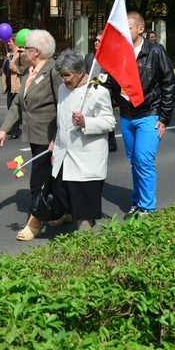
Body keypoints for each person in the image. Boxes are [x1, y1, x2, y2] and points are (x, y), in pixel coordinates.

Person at [0, 30, 62, 240]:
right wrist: (5, 129)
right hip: (33, 134)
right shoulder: (29, 71)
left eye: (26, 49)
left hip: (50, 134)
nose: (22, 52)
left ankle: (35, 222)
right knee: (52, 177)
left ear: (37, 52)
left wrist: (57, 137)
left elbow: (64, 104)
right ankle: (61, 211)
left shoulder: (54, 70)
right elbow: (18, 103)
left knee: (38, 180)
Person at [110, 11, 175, 219]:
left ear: (140, 29)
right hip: (127, 116)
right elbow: (111, 80)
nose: (124, 32)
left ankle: (148, 208)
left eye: (128, 28)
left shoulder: (155, 52)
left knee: (144, 160)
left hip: (149, 113)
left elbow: (169, 84)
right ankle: (137, 202)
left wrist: (164, 117)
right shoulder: (119, 52)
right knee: (134, 161)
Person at [50, 50, 115, 231]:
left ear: (80, 73)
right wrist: (55, 146)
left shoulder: (98, 92)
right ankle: (77, 221)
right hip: (65, 153)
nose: (64, 79)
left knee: (83, 203)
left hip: (87, 158)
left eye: (68, 75)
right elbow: (60, 121)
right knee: (61, 194)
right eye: (62, 75)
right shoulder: (62, 89)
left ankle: (84, 239)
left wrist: (87, 122)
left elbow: (109, 122)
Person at [84, 31, 118, 152]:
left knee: (104, 116)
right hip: (90, 90)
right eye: (95, 40)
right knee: (92, 115)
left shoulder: (111, 58)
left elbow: (115, 79)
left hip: (105, 92)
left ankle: (111, 143)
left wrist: (115, 99)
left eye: (100, 40)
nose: (96, 42)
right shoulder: (89, 56)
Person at [1, 34, 28, 139]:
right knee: (10, 108)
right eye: (7, 42)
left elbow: (25, 69)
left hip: (17, 86)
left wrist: (14, 67)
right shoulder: (8, 54)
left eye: (10, 41)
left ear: (15, 42)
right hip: (9, 87)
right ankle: (13, 129)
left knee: (16, 109)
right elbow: (4, 70)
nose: (8, 44)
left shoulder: (21, 54)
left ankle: (15, 131)